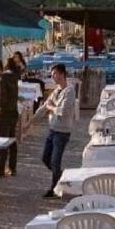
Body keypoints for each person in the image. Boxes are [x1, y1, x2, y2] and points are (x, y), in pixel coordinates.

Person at [38, 64, 76, 198]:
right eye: (52, 74)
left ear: (62, 74)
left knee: (55, 161)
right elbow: (44, 106)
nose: (52, 76)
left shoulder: (69, 91)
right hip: (52, 129)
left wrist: (51, 107)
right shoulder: (56, 90)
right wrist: (30, 121)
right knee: (45, 158)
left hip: (62, 131)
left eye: (54, 74)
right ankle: (61, 176)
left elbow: (62, 111)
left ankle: (54, 189)